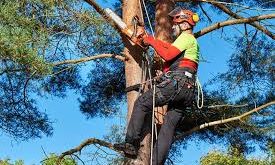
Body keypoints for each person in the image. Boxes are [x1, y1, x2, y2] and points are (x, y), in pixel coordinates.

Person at [114, 7, 200, 165]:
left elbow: (166, 54)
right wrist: (149, 40)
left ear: (186, 24)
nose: (173, 27)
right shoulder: (190, 42)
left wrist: (151, 41)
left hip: (178, 83)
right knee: (168, 127)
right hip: (187, 90)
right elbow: (170, 53)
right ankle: (157, 163)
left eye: (176, 24)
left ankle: (131, 144)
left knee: (142, 102)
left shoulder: (186, 37)